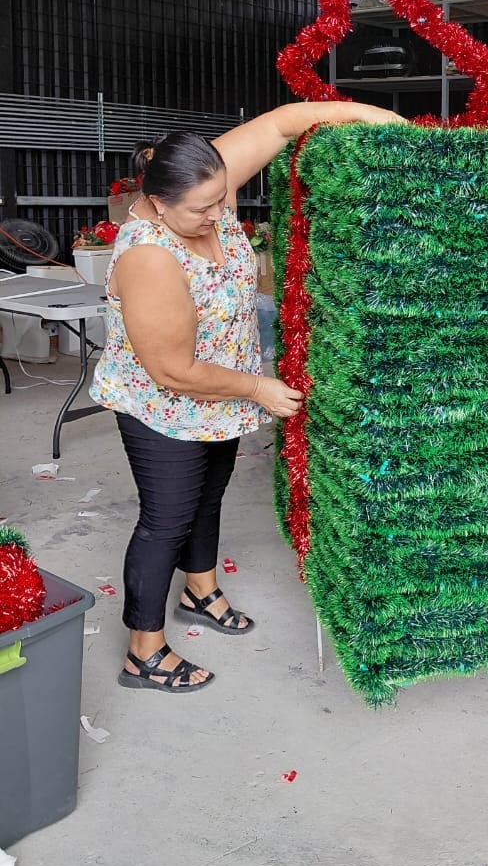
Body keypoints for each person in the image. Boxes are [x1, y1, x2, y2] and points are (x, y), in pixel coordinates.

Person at [90, 100, 403, 693]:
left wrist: (385, 122)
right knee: (167, 519)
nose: (216, 213)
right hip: (166, 407)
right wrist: (259, 386)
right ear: (157, 203)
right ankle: (143, 650)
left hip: (223, 394)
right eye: (200, 209)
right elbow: (173, 370)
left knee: (208, 502)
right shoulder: (150, 256)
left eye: (221, 198)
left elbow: (284, 122)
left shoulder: (202, 184)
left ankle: (200, 590)